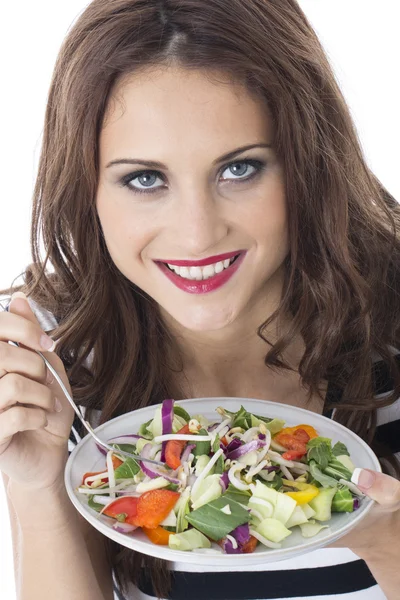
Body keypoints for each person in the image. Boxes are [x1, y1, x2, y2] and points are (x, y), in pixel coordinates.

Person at [0, 0, 399, 598]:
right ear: (88, 190)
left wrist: (385, 542)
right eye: (144, 178)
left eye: (239, 169)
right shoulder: (60, 358)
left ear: (309, 165)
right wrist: (37, 488)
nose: (196, 233)